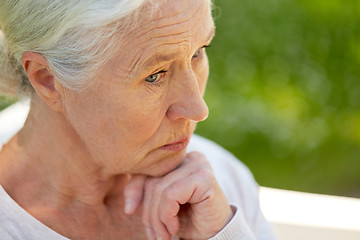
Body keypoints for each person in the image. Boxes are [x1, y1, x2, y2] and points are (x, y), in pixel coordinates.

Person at [0, 0, 276, 239]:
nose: (198, 109)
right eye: (154, 75)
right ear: (48, 80)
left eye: (197, 53)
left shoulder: (219, 185)